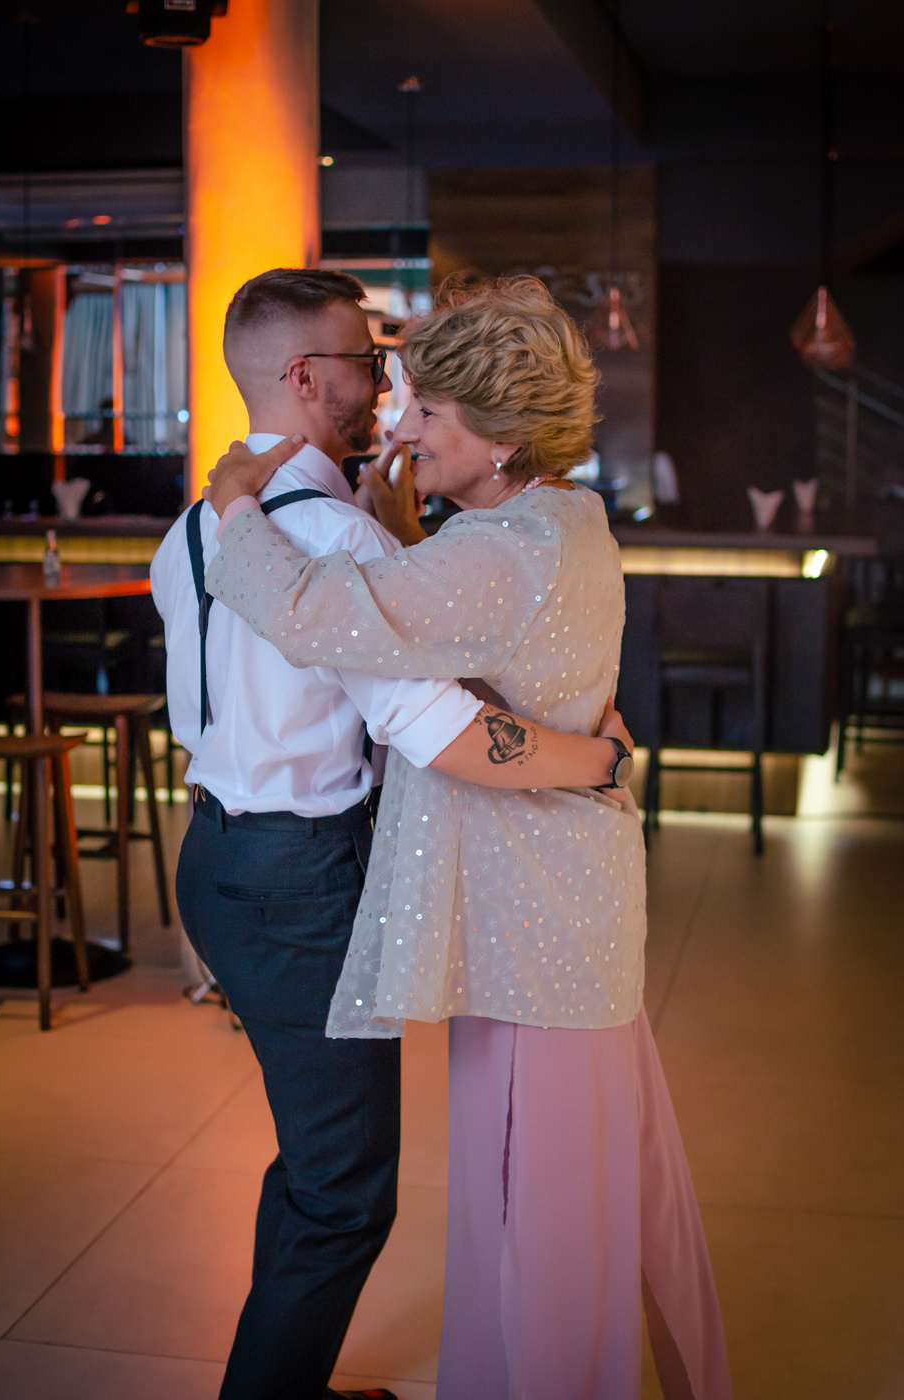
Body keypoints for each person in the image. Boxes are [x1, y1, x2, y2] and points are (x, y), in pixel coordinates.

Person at [203, 276, 733, 1400]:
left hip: (532, 930)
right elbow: (468, 610)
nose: (400, 428)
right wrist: (593, 755)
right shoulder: (559, 516)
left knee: (540, 1226)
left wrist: (234, 505)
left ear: (497, 437)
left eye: (427, 411)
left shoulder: (493, 555)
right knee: (568, 1201)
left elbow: (308, 612)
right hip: (557, 915)